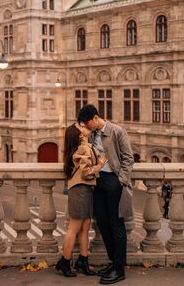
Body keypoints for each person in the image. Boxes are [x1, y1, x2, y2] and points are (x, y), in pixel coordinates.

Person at [77, 104, 133, 284]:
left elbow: (128, 158)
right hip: (98, 181)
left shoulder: (117, 131)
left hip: (113, 182)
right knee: (101, 221)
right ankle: (113, 261)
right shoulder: (92, 135)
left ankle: (120, 268)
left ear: (95, 118)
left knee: (116, 223)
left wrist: (121, 180)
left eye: (87, 123)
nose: (86, 127)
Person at [55, 123, 107, 277]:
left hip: (85, 190)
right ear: (80, 135)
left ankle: (83, 260)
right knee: (74, 229)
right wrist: (100, 165)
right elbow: (85, 173)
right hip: (80, 190)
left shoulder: (84, 146)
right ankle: (64, 262)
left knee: (85, 226)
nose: (84, 126)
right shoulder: (83, 148)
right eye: (81, 126)